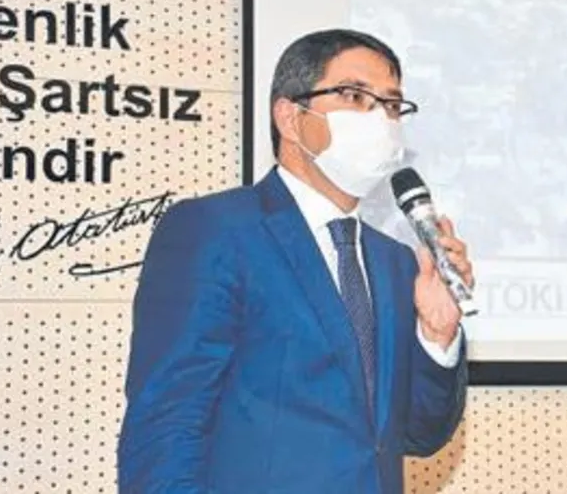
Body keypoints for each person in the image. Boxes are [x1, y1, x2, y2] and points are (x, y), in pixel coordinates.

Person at [117, 29, 470, 493]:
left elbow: (418, 435)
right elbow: (166, 426)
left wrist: (438, 336)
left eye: (390, 104)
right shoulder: (216, 230)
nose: (379, 118)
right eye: (354, 96)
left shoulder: (399, 263)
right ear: (289, 116)